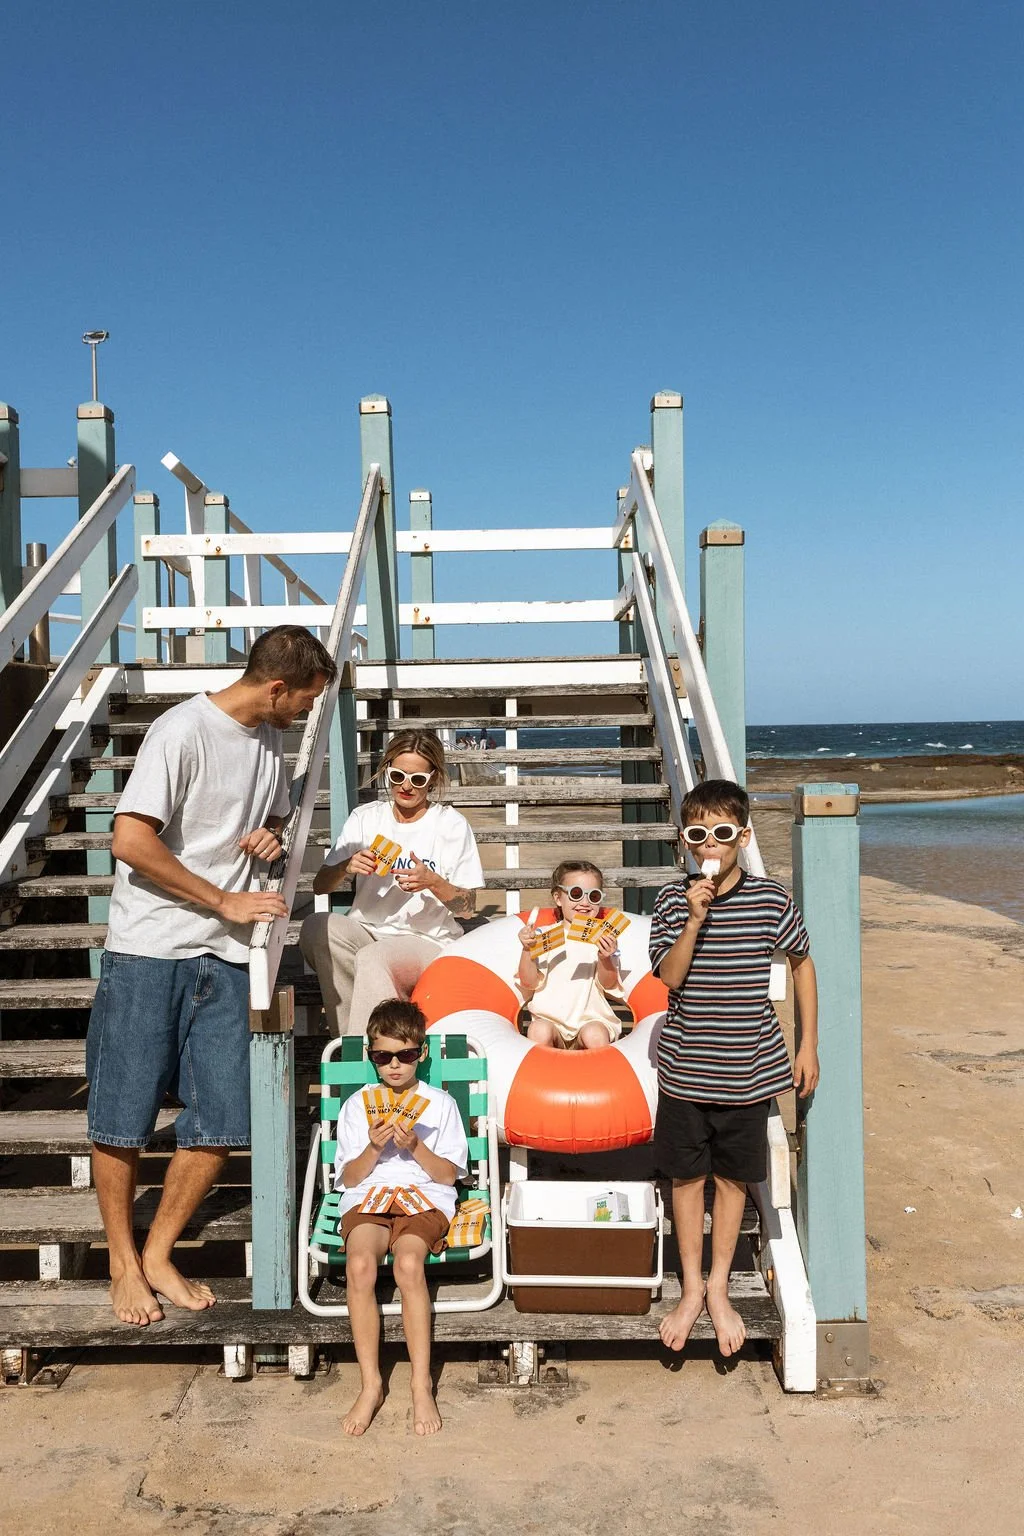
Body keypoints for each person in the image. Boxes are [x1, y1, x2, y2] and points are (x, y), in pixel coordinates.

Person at [86, 625, 336, 1326]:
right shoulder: (181, 731)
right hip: (151, 949)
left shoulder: (268, 739)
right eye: (306, 699)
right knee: (122, 1117)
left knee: (221, 1118)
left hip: (228, 956)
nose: (307, 713)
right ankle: (121, 1261)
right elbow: (129, 839)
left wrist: (273, 835)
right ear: (277, 687)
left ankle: (159, 1253)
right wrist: (223, 899)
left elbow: (267, 819)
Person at [649, 779, 819, 1358]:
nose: (711, 844)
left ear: (743, 837)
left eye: (722, 833)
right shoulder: (671, 901)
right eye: (698, 834)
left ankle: (719, 1286)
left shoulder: (771, 900)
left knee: (732, 1181)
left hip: (747, 1071)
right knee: (685, 1180)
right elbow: (671, 977)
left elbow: (801, 963)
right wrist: (695, 919)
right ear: (685, 841)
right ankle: (691, 1288)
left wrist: (808, 1044)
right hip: (685, 1071)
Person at [334, 999, 468, 1436]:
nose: (394, 1065)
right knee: (360, 1265)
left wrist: (414, 1147)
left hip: (425, 1196)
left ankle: (419, 1383)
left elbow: (447, 1176)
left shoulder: (439, 1104)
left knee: (409, 1264)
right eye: (383, 1056)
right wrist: (374, 1148)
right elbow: (349, 1178)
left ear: (421, 1053)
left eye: (405, 1054)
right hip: (369, 1195)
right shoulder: (358, 1106)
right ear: (370, 1055)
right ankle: (371, 1384)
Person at [299, 729, 483, 1035]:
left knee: (373, 958)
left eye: (418, 780)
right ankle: (355, 1041)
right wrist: (346, 866)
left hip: (427, 941)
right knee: (317, 927)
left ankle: (367, 1051)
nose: (406, 786)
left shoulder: (450, 825)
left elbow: (468, 907)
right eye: (397, 776)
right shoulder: (366, 818)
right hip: (368, 932)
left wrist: (432, 881)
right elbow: (321, 885)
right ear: (386, 771)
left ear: (433, 779)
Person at [516, 861, 624, 1050]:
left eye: (593, 896)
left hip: (591, 1021)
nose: (585, 902)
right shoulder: (544, 935)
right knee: (539, 1031)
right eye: (576, 894)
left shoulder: (604, 938)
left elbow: (608, 984)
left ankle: (598, 1070)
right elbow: (529, 982)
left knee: (595, 1035)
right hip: (551, 1023)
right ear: (558, 898)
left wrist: (605, 958)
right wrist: (527, 950)